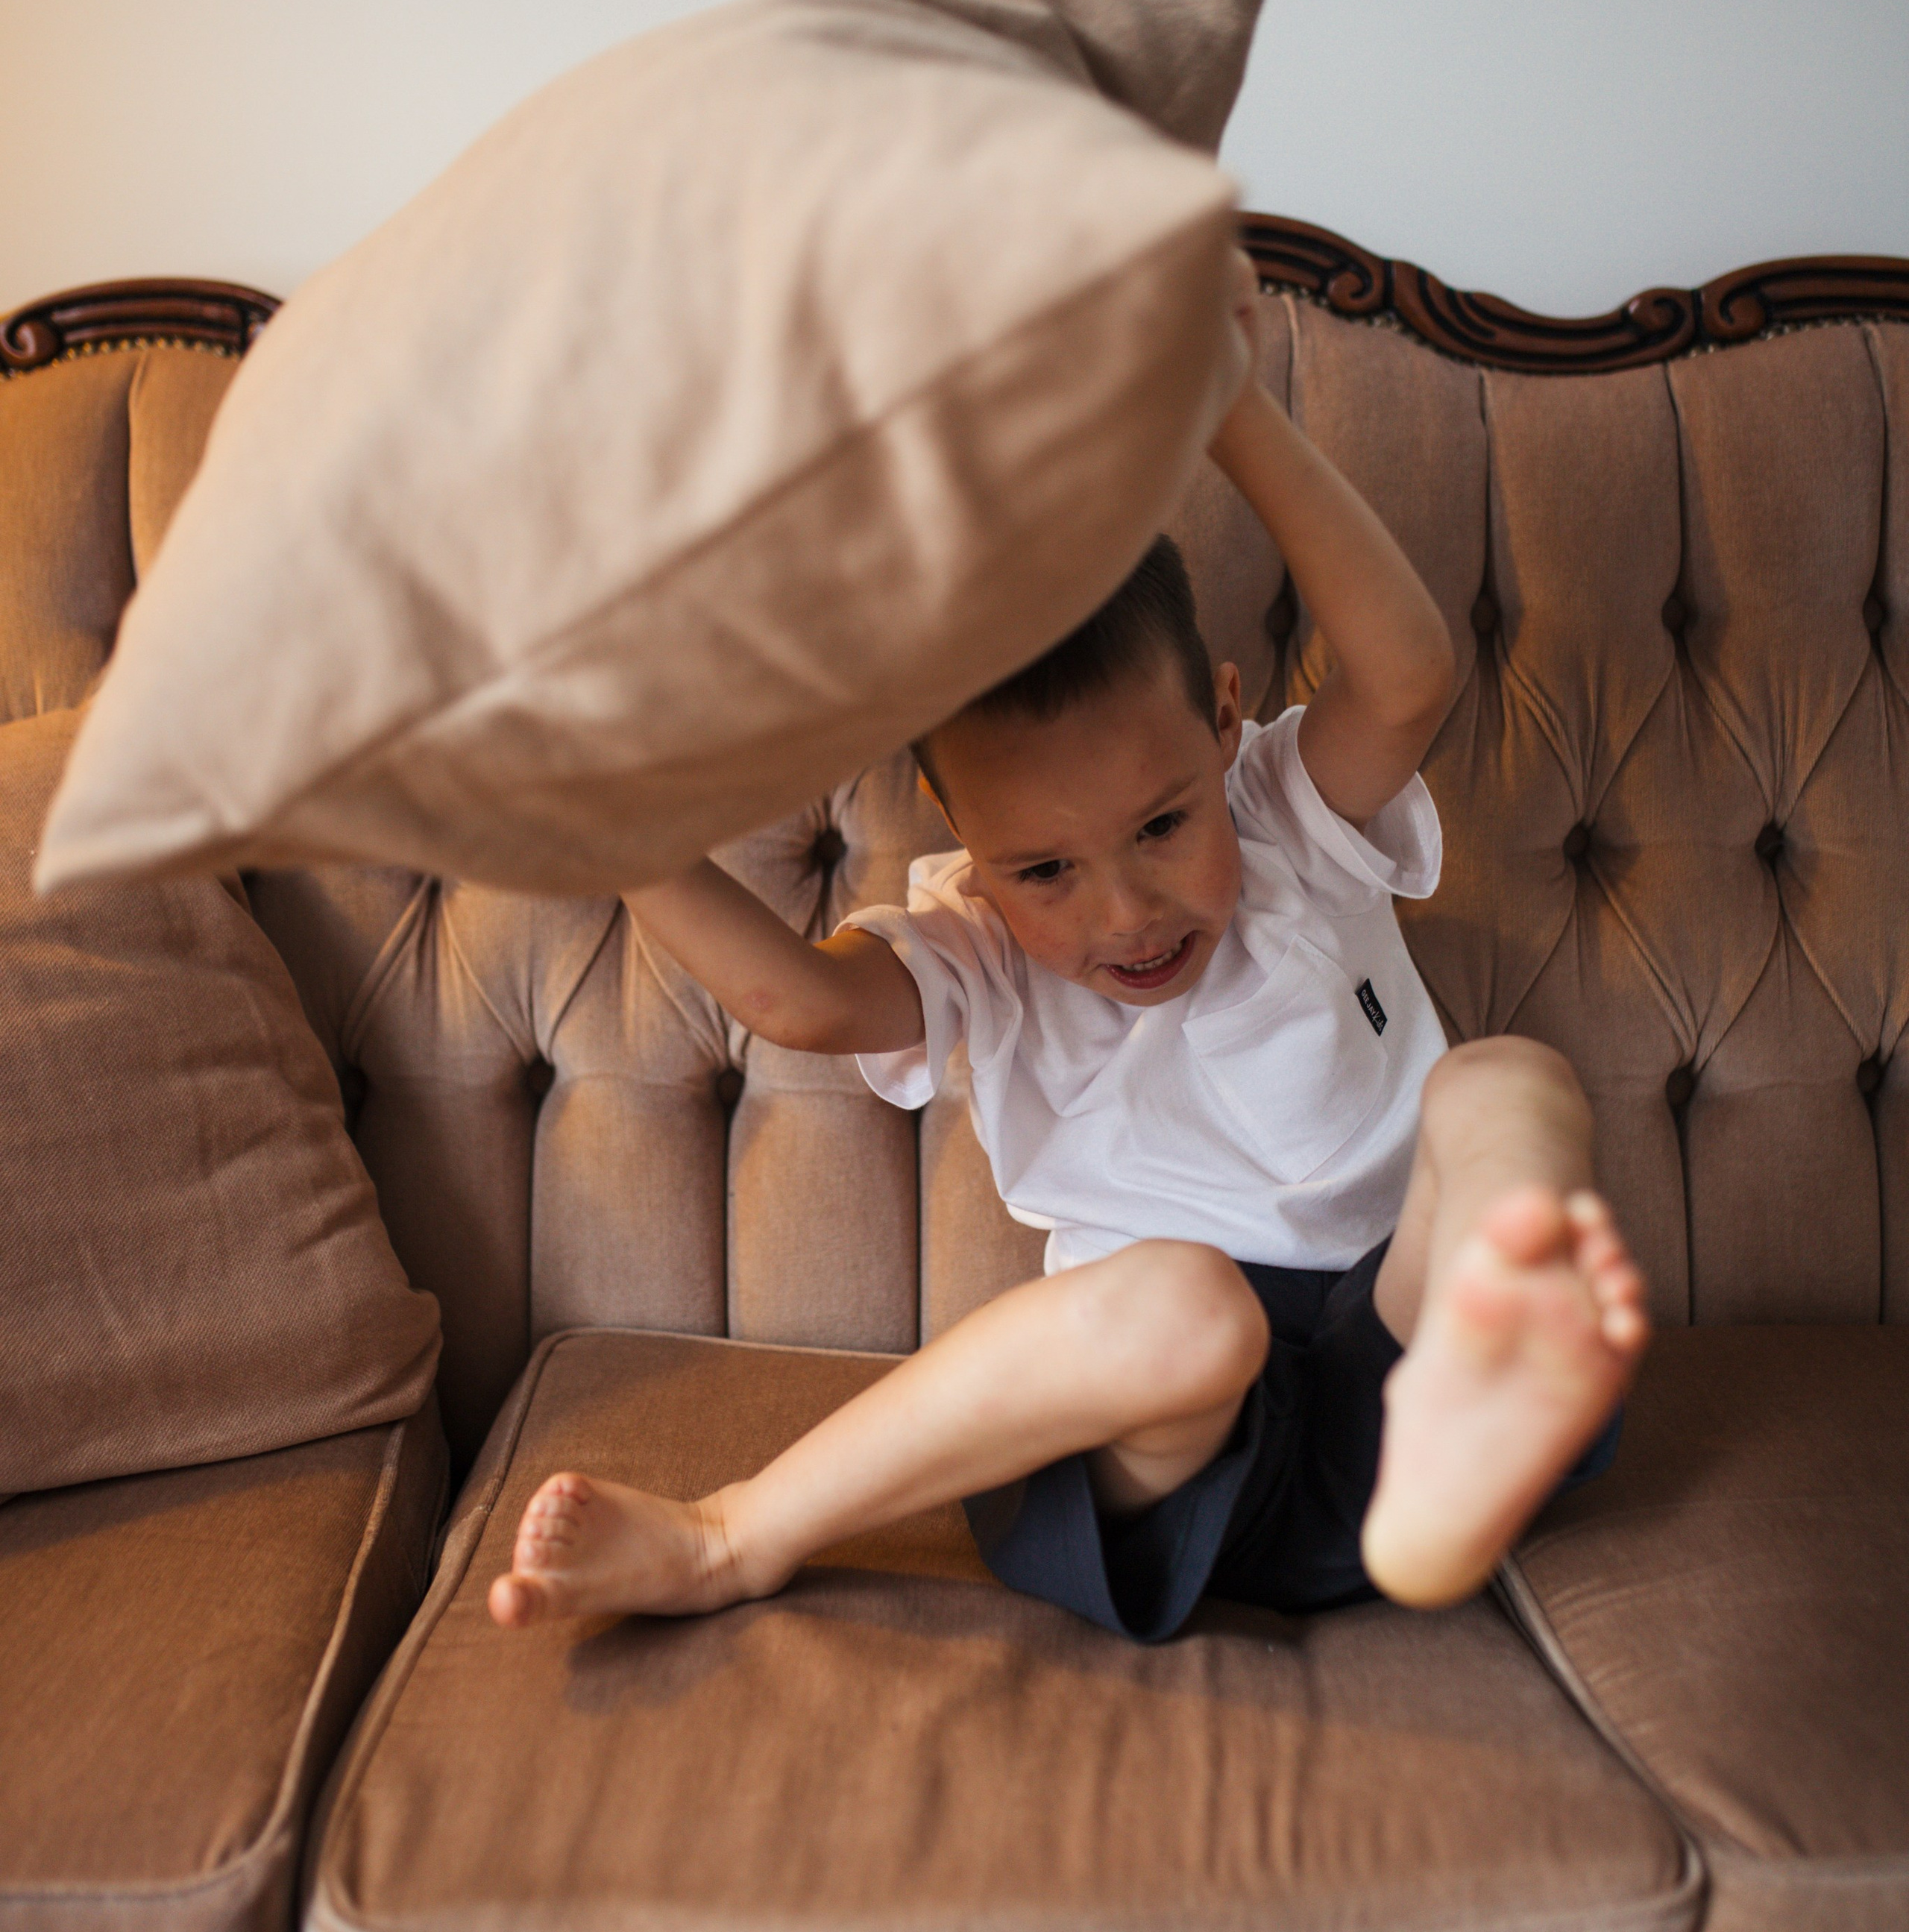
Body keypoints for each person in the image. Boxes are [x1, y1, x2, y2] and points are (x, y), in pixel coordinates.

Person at [488, 265, 1649, 1642]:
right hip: (1173, 1443)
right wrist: (600, 821)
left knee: (1505, 1082)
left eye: (1163, 825)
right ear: (962, 834)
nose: (1125, 914)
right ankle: (733, 1534)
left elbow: (1406, 670)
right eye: (1046, 868)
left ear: (1227, 721)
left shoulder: (1290, 810)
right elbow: (791, 1000)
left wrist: (1225, 408)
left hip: (1409, 1334)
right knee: (1188, 1306)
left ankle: (1500, 1345)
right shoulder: (973, 946)